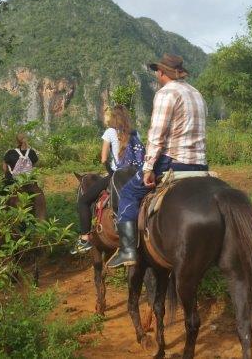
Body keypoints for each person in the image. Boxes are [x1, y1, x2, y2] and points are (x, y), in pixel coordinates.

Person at [107, 53, 208, 269]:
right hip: (200, 164)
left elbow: (156, 135)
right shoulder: (196, 93)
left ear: (161, 72)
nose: (156, 74)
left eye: (157, 71)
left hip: (173, 161)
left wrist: (148, 168)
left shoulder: (166, 93)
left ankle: (127, 250)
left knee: (128, 193)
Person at [71, 105, 145, 255]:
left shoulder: (110, 132)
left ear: (113, 118)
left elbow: (104, 158)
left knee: (84, 201)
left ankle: (85, 238)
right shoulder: (136, 132)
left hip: (118, 175)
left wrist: (111, 173)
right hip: (137, 176)